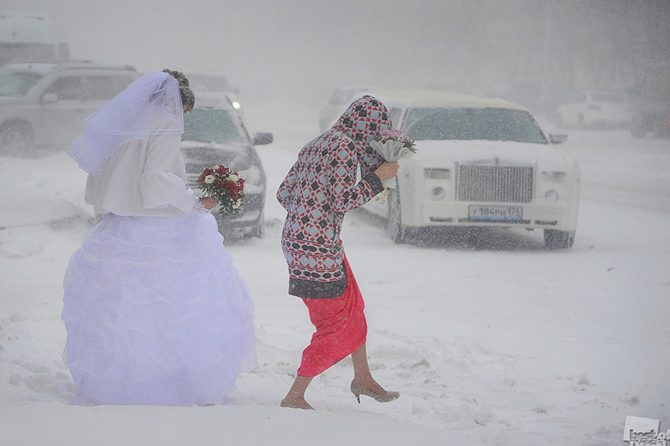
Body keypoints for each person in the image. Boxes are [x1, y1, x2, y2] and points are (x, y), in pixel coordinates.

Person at [62, 69, 256, 405]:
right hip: (157, 228)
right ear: (176, 104)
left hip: (121, 227)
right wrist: (195, 200)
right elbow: (155, 178)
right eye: (183, 112)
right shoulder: (164, 122)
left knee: (126, 311)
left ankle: (120, 381)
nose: (181, 118)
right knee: (172, 308)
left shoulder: (129, 125)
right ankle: (170, 383)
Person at [276, 95, 400, 409]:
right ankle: (295, 395)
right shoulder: (344, 148)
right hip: (318, 250)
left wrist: (309, 213)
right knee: (337, 326)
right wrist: (377, 178)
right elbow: (342, 200)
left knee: (353, 307)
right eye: (376, 128)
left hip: (301, 241)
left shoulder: (317, 143)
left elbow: (284, 193)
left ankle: (363, 377)